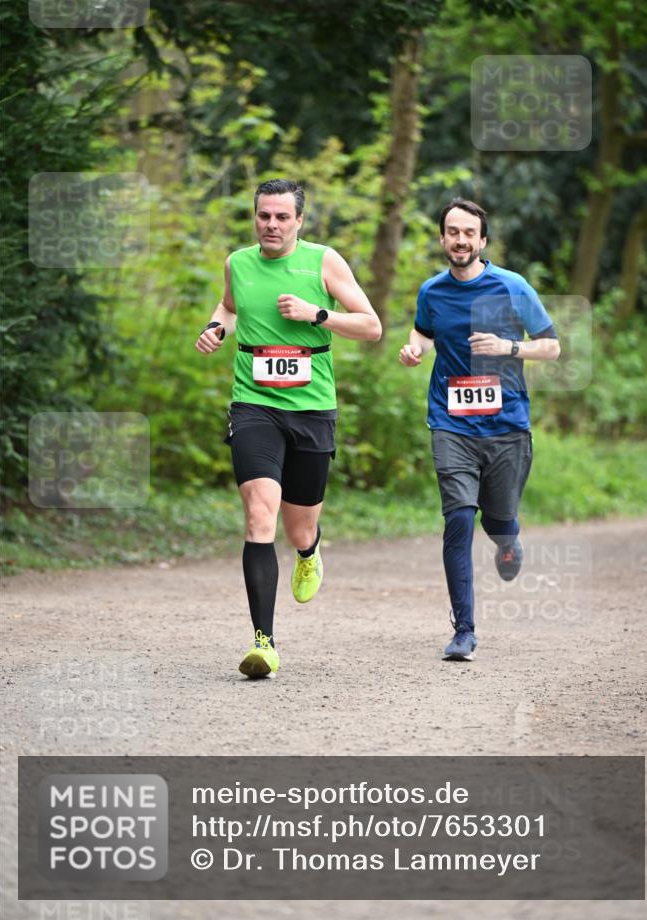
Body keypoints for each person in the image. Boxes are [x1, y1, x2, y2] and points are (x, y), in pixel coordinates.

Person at [196, 178, 381, 678]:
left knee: (299, 526)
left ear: (299, 220)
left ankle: (309, 551)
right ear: (254, 217)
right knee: (260, 514)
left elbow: (371, 326)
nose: (271, 225)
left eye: (282, 217)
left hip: (312, 409)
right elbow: (229, 307)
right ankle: (264, 643)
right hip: (253, 404)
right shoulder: (238, 263)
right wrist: (216, 327)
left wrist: (317, 314)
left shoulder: (323, 262)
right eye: (264, 216)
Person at [399, 197, 560, 662]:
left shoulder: (512, 286)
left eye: (469, 232)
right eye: (453, 231)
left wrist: (509, 348)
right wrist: (414, 349)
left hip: (507, 425)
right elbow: (423, 331)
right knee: (459, 518)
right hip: (450, 422)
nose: (461, 240)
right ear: (443, 238)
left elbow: (550, 347)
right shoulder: (432, 291)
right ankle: (464, 630)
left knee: (498, 519)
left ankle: (508, 540)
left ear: (482, 240)